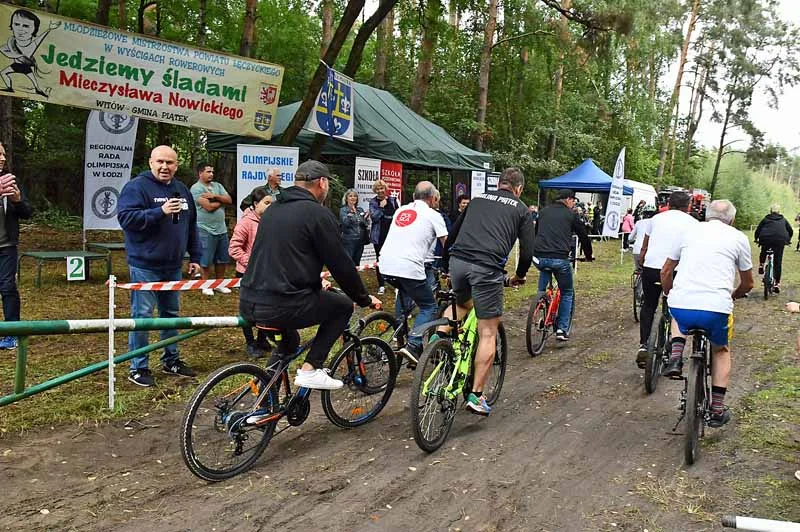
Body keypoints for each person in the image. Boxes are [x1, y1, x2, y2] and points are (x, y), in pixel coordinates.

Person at [239, 160, 380, 390]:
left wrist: (314, 282)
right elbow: (341, 265)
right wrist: (363, 298)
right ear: (322, 183)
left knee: (290, 341)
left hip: (249, 301)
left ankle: (264, 403)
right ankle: (311, 369)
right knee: (343, 306)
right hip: (284, 303)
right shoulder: (318, 214)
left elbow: (286, 256)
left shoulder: (273, 209)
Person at [443, 168, 535, 416]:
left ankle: (434, 345)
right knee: (488, 332)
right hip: (486, 268)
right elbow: (527, 251)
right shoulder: (521, 209)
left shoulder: (478, 199)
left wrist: (445, 264)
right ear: (519, 188)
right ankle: (476, 395)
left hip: (458, 262)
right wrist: (520, 275)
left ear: (500, 184)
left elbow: (453, 233)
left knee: (461, 304)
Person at [660, 200, 754, 427]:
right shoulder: (738, 238)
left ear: (706, 215)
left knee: (677, 314)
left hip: (683, 304)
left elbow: (666, 270)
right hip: (716, 307)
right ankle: (718, 409)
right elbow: (748, 283)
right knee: (721, 351)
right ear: (731, 219)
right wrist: (734, 294)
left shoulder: (688, 231)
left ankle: (675, 357)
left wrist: (670, 293)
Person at [117, 145, 202, 387]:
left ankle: (171, 359)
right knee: (142, 316)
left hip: (173, 265)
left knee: (171, 315)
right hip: (145, 264)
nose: (165, 167)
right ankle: (138, 367)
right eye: (160, 162)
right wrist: (159, 211)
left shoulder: (182, 189)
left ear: (176, 165)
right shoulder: (136, 187)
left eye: (170, 163)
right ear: (151, 162)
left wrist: (194, 256)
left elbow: (191, 225)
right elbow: (126, 219)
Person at [379, 181, 448, 366]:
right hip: (409, 267)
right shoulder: (434, 215)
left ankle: (399, 334)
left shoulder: (401, 211)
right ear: (433, 198)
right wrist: (450, 268)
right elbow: (447, 245)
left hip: (385, 265)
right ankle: (414, 344)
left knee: (405, 297)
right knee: (429, 307)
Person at [635, 191, 697, 368]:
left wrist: (642, 261)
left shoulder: (656, 219)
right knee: (677, 305)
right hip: (676, 270)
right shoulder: (693, 223)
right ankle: (674, 342)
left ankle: (644, 345)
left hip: (652, 268)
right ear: (689, 206)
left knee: (649, 305)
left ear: (668, 204)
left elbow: (644, 246)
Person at [532, 189, 593, 341]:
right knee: (567, 292)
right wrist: (588, 255)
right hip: (560, 258)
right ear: (567, 199)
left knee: (543, 287)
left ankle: (540, 301)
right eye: (573, 200)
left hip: (540, 257)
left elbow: (536, 232)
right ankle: (562, 329)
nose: (574, 204)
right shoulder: (571, 215)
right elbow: (584, 236)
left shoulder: (543, 212)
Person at [229, 188, 273, 358]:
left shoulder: (271, 221)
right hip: (247, 275)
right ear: (255, 204)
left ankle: (262, 339)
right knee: (247, 310)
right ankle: (250, 343)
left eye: (272, 203)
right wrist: (252, 263)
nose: (270, 206)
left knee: (266, 308)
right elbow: (234, 249)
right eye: (266, 203)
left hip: (267, 274)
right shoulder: (246, 222)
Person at [0, 142, 32, 350]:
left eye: (3, 154)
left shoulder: (11, 180)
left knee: (8, 287)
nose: (2, 158)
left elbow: (27, 213)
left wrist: (18, 200)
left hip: (6, 246)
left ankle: (12, 333)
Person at [190, 162, 232, 297]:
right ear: (200, 173)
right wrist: (222, 201)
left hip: (221, 229)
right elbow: (208, 207)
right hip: (204, 229)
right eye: (208, 172)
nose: (211, 174)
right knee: (206, 259)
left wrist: (215, 197)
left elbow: (229, 200)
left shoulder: (217, 186)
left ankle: (219, 284)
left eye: (212, 172)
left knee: (222, 259)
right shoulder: (196, 189)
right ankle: (206, 285)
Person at [369, 179, 398, 295]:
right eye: (378, 189)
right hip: (379, 236)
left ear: (385, 189)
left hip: (391, 235)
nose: (380, 191)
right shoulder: (373, 202)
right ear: (375, 190)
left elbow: (397, 215)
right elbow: (374, 217)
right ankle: (381, 285)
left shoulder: (393, 200)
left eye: (382, 188)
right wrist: (381, 207)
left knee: (393, 259)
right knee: (379, 260)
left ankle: (396, 283)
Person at [755, 205, 792, 294]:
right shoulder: (783, 219)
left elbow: (758, 229)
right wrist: (788, 240)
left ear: (770, 211)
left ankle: (761, 265)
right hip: (780, 240)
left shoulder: (766, 219)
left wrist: (756, 239)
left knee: (764, 249)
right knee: (778, 262)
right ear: (779, 212)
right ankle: (776, 284)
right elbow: (790, 230)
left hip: (766, 239)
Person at [339, 188, 369, 265]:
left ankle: (355, 277)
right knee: (348, 263)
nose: (353, 198)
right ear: (346, 198)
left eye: (355, 196)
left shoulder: (360, 210)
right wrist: (352, 215)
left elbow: (365, 224)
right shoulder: (343, 210)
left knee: (357, 263)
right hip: (349, 240)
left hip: (360, 241)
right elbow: (345, 223)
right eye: (350, 196)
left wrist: (366, 217)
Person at [628, 206, 655, 271]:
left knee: (638, 270)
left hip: (637, 250)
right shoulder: (655, 222)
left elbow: (630, 238)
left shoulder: (638, 222)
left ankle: (637, 279)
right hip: (649, 251)